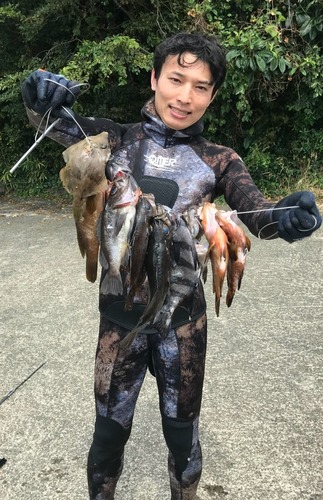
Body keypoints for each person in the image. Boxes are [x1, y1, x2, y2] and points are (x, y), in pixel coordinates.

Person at [21, 32, 321, 500]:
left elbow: (255, 215)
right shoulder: (114, 140)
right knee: (107, 437)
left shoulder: (219, 160)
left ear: (213, 95)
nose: (185, 96)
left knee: (183, 437)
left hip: (183, 326)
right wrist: (39, 95)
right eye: (176, 79)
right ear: (155, 78)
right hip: (118, 323)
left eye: (200, 86)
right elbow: (55, 125)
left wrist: (285, 217)